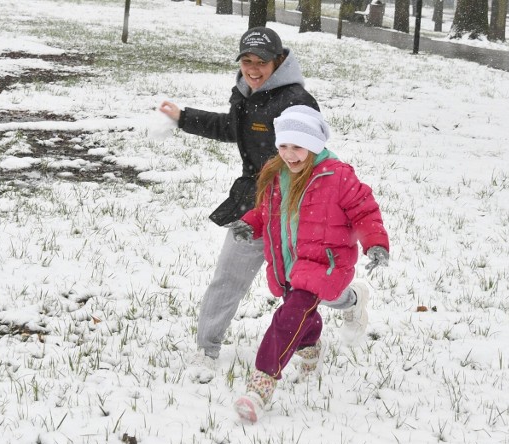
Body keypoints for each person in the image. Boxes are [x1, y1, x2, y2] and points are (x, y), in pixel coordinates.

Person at [159, 27, 368, 383]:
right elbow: (234, 129)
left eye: (261, 62)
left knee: (314, 289)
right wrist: (183, 118)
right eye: (246, 60)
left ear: (279, 61)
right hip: (252, 203)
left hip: (295, 214)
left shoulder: (297, 101)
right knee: (228, 275)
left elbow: (314, 153)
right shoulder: (245, 93)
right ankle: (206, 349)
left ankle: (352, 299)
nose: (253, 69)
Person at [230, 105, 390, 423]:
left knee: (288, 316)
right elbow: (267, 211)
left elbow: (364, 210)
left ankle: (261, 385)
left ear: (314, 144)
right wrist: (251, 222)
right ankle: (312, 342)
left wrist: (376, 244)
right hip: (288, 262)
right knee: (301, 312)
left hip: (323, 262)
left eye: (297, 147)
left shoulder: (337, 175)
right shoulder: (277, 174)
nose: (289, 154)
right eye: (284, 146)